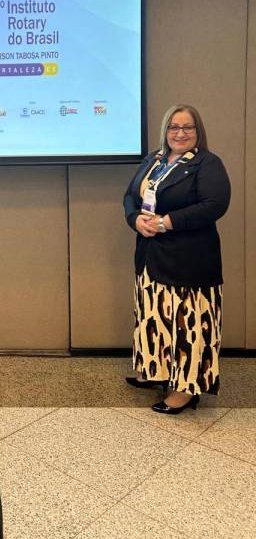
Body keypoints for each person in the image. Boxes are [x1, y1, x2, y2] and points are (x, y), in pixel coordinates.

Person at [123, 104, 230, 414]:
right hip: (151, 256)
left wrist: (165, 222)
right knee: (154, 318)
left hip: (189, 262)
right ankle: (155, 370)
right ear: (165, 131)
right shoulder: (154, 160)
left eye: (187, 127)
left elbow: (215, 204)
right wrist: (135, 219)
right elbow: (130, 196)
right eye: (174, 127)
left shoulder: (207, 163)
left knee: (187, 326)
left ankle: (185, 390)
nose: (180, 133)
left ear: (198, 132)